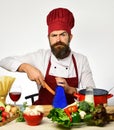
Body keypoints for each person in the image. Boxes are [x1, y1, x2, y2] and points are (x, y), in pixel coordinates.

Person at [0, 7, 95, 105]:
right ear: (48, 38)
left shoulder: (81, 60)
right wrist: (26, 67)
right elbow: (4, 61)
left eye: (63, 34)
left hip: (70, 114)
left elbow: (92, 93)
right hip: (42, 114)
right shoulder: (41, 56)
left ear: (70, 37)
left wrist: (70, 90)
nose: (58, 40)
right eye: (54, 35)